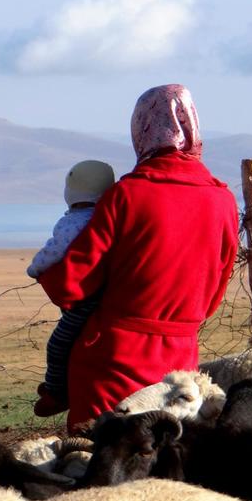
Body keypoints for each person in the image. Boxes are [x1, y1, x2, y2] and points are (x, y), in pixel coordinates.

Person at [37, 84, 238, 435]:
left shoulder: (126, 194)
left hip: (113, 359)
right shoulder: (223, 200)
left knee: (98, 460)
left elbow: (71, 284)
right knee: (169, 455)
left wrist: (47, 272)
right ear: (191, 126)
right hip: (181, 358)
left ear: (141, 129)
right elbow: (215, 291)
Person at [27, 160, 115, 417]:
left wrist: (35, 268)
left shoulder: (73, 223)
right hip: (104, 293)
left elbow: (54, 251)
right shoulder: (107, 217)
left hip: (85, 298)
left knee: (58, 343)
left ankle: (56, 391)